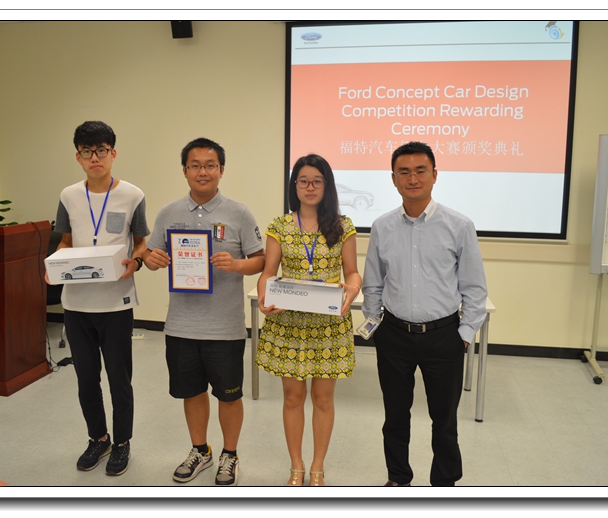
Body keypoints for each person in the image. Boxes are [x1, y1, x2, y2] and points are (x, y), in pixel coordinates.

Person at [362, 141, 488, 487]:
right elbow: (373, 283)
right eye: (404, 172)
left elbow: (475, 288)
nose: (412, 179)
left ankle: (444, 484)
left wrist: (463, 336)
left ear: (434, 174)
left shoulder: (459, 225)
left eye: (420, 171)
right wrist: (375, 327)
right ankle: (398, 478)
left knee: (444, 420)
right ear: (393, 179)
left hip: (444, 337)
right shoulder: (382, 226)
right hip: (394, 336)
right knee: (394, 416)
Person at [142, 137, 264, 486]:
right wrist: (152, 259)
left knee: (229, 396)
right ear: (185, 171)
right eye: (195, 165)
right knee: (192, 392)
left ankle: (230, 454)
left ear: (221, 170)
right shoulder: (168, 213)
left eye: (210, 165)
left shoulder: (239, 213)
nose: (203, 172)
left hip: (225, 327)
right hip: (181, 325)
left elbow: (260, 260)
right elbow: (150, 256)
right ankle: (201, 450)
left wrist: (236, 264)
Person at [47, 120, 150, 476]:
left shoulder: (133, 195)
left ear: (113, 153)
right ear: (78, 157)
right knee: (86, 379)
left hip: (116, 302)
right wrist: (52, 266)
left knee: (120, 380)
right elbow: (64, 242)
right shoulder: (68, 195)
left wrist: (136, 261)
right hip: (76, 305)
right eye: (87, 152)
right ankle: (99, 438)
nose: (95, 158)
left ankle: (122, 443)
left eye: (101, 150)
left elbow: (141, 242)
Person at [255, 154, 362, 487]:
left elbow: (352, 273)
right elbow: (268, 272)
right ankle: (296, 465)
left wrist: (352, 290)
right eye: (303, 181)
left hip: (328, 326)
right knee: (292, 398)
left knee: (323, 400)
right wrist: (264, 296)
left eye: (317, 181)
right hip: (289, 324)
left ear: (327, 186)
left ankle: (317, 467)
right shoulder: (280, 226)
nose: (310, 187)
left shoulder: (342, 226)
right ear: (295, 186)